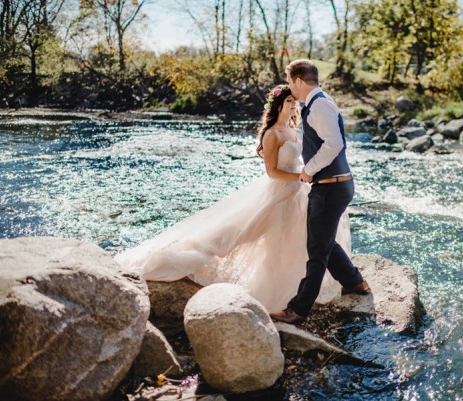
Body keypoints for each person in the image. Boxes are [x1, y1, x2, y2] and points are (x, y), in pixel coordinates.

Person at [114, 84, 349, 312]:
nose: (294, 105)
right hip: (279, 193)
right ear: (278, 105)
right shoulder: (271, 134)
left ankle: (292, 290)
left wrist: (311, 174)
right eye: (289, 101)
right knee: (237, 237)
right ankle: (181, 258)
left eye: (295, 102)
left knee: (293, 242)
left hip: (298, 192)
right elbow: (272, 172)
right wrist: (301, 176)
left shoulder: (293, 131)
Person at [269, 60, 370, 325]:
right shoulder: (318, 103)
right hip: (333, 185)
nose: (290, 87)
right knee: (323, 240)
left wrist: (310, 170)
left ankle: (298, 309)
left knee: (316, 249)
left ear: (299, 81)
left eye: (290, 81)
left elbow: (335, 143)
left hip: (331, 186)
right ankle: (355, 282)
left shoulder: (320, 105)